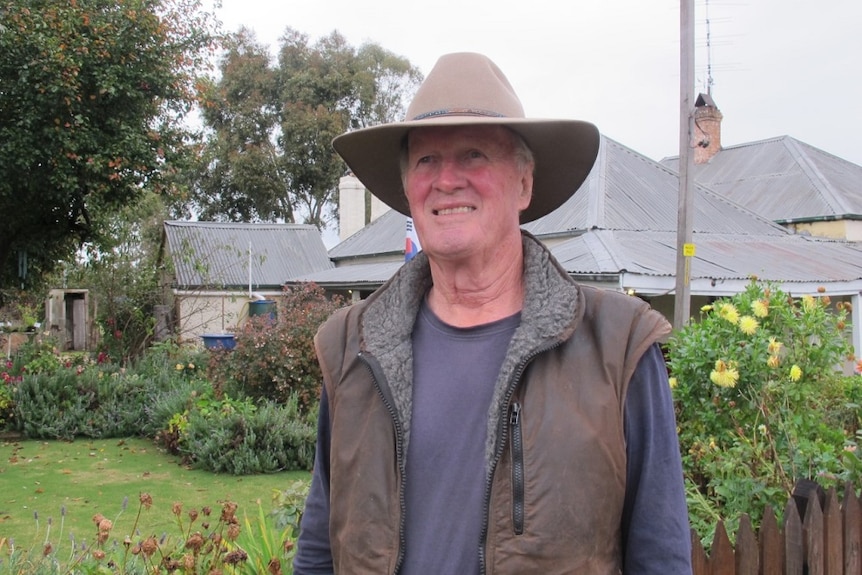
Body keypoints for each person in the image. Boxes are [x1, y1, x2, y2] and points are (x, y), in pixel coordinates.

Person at [293, 52, 692, 574]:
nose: (447, 180)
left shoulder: (619, 345)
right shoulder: (351, 345)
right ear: (408, 190)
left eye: (475, 155)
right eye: (426, 161)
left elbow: (660, 557)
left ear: (523, 184)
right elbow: (321, 548)